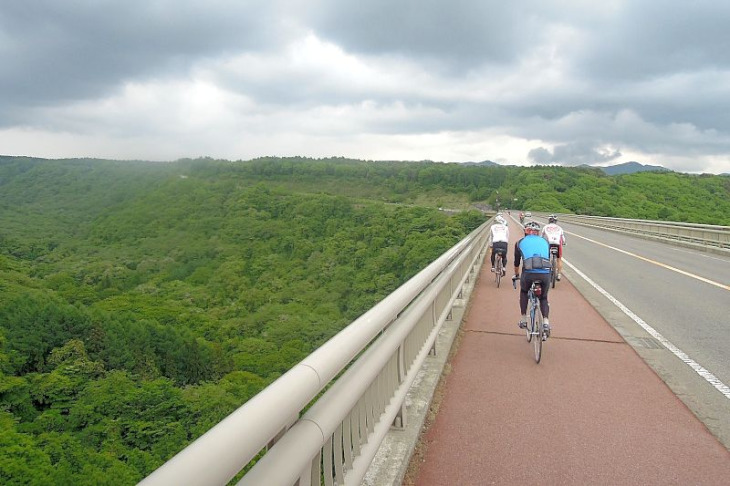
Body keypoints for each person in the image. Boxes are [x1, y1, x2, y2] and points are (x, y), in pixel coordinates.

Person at [512, 221, 552, 338]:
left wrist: (516, 274)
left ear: (526, 231)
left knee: (524, 291)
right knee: (543, 297)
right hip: (545, 273)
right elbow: (547, 258)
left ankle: (524, 319)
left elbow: (516, 262)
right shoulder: (545, 242)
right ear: (538, 233)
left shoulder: (519, 242)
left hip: (529, 273)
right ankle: (545, 322)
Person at [541, 214, 566, 281]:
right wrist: (564, 243)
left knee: (546, 258)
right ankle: (559, 274)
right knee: (559, 259)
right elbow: (563, 238)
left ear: (549, 220)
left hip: (549, 244)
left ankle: (546, 271)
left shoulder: (545, 227)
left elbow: (542, 237)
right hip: (557, 244)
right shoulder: (559, 228)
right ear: (556, 221)